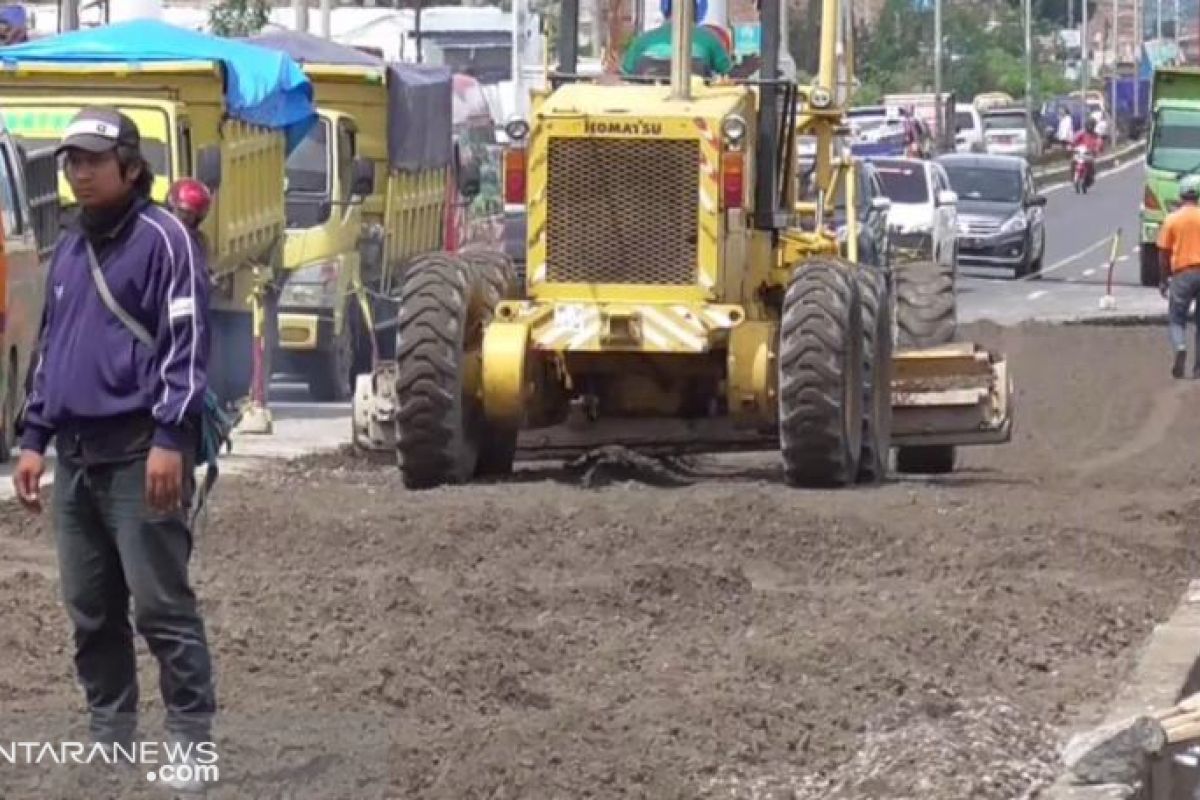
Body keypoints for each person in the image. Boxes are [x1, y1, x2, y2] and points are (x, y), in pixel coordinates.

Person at [12, 107, 215, 792]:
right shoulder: (69, 246)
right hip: (75, 458)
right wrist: (33, 437)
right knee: (90, 609)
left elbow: (187, 347)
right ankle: (112, 738)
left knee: (160, 605)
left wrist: (169, 437)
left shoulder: (167, 240)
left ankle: (190, 742)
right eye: (72, 161)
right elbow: (51, 348)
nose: (79, 172)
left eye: (93, 160)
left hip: (140, 453)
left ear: (130, 165)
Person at [1156, 174, 1200, 378]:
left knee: (1176, 319)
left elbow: (1163, 254)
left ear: (1180, 196)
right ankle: (1199, 368)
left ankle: (1181, 346)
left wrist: (1164, 280)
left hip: (1183, 273)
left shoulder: (1172, 220)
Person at [620, 0, 732, 78]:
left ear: (665, 10)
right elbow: (727, 72)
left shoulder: (643, 39)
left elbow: (626, 72)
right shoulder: (710, 38)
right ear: (697, 12)